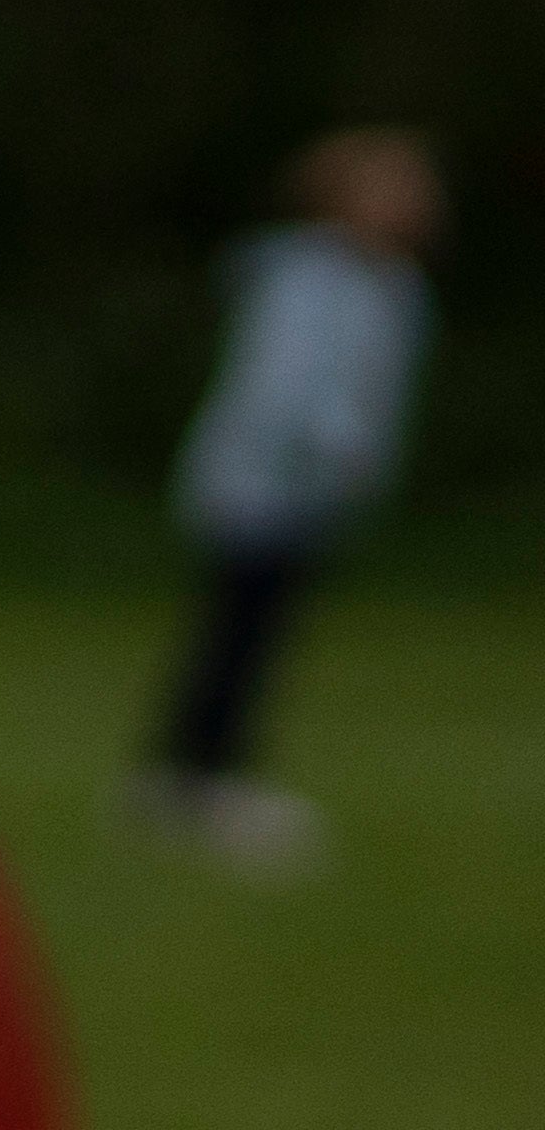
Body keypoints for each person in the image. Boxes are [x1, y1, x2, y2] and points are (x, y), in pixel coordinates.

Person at [140, 127, 441, 870]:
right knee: (238, 634)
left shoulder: (392, 288)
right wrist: (342, 451)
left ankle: (199, 773)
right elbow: (282, 386)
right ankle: (198, 778)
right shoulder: (304, 281)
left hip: (308, 498)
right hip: (258, 490)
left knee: (261, 635)